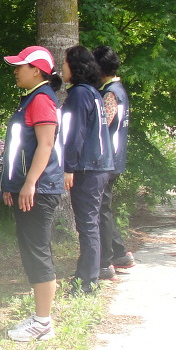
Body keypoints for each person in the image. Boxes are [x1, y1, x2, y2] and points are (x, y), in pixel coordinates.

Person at [1, 45, 64, 341]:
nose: (16, 71)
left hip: (40, 189)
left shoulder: (40, 99)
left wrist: (29, 184)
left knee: (38, 251)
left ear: (36, 71)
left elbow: (46, 145)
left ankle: (43, 322)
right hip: (27, 187)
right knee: (31, 249)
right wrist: (12, 184)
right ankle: (40, 317)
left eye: (20, 66)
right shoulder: (30, 98)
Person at [60, 46, 114, 295]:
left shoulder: (80, 94)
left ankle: (88, 281)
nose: (62, 68)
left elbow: (75, 133)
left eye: (65, 63)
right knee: (89, 222)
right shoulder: (92, 92)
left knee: (88, 224)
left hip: (87, 168)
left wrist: (68, 167)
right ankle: (87, 274)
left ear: (75, 66)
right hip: (98, 165)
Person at [93, 45, 135, 276]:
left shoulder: (110, 93)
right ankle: (119, 253)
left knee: (101, 211)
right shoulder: (119, 90)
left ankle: (105, 261)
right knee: (103, 208)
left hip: (107, 160)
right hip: (114, 159)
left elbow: (101, 126)